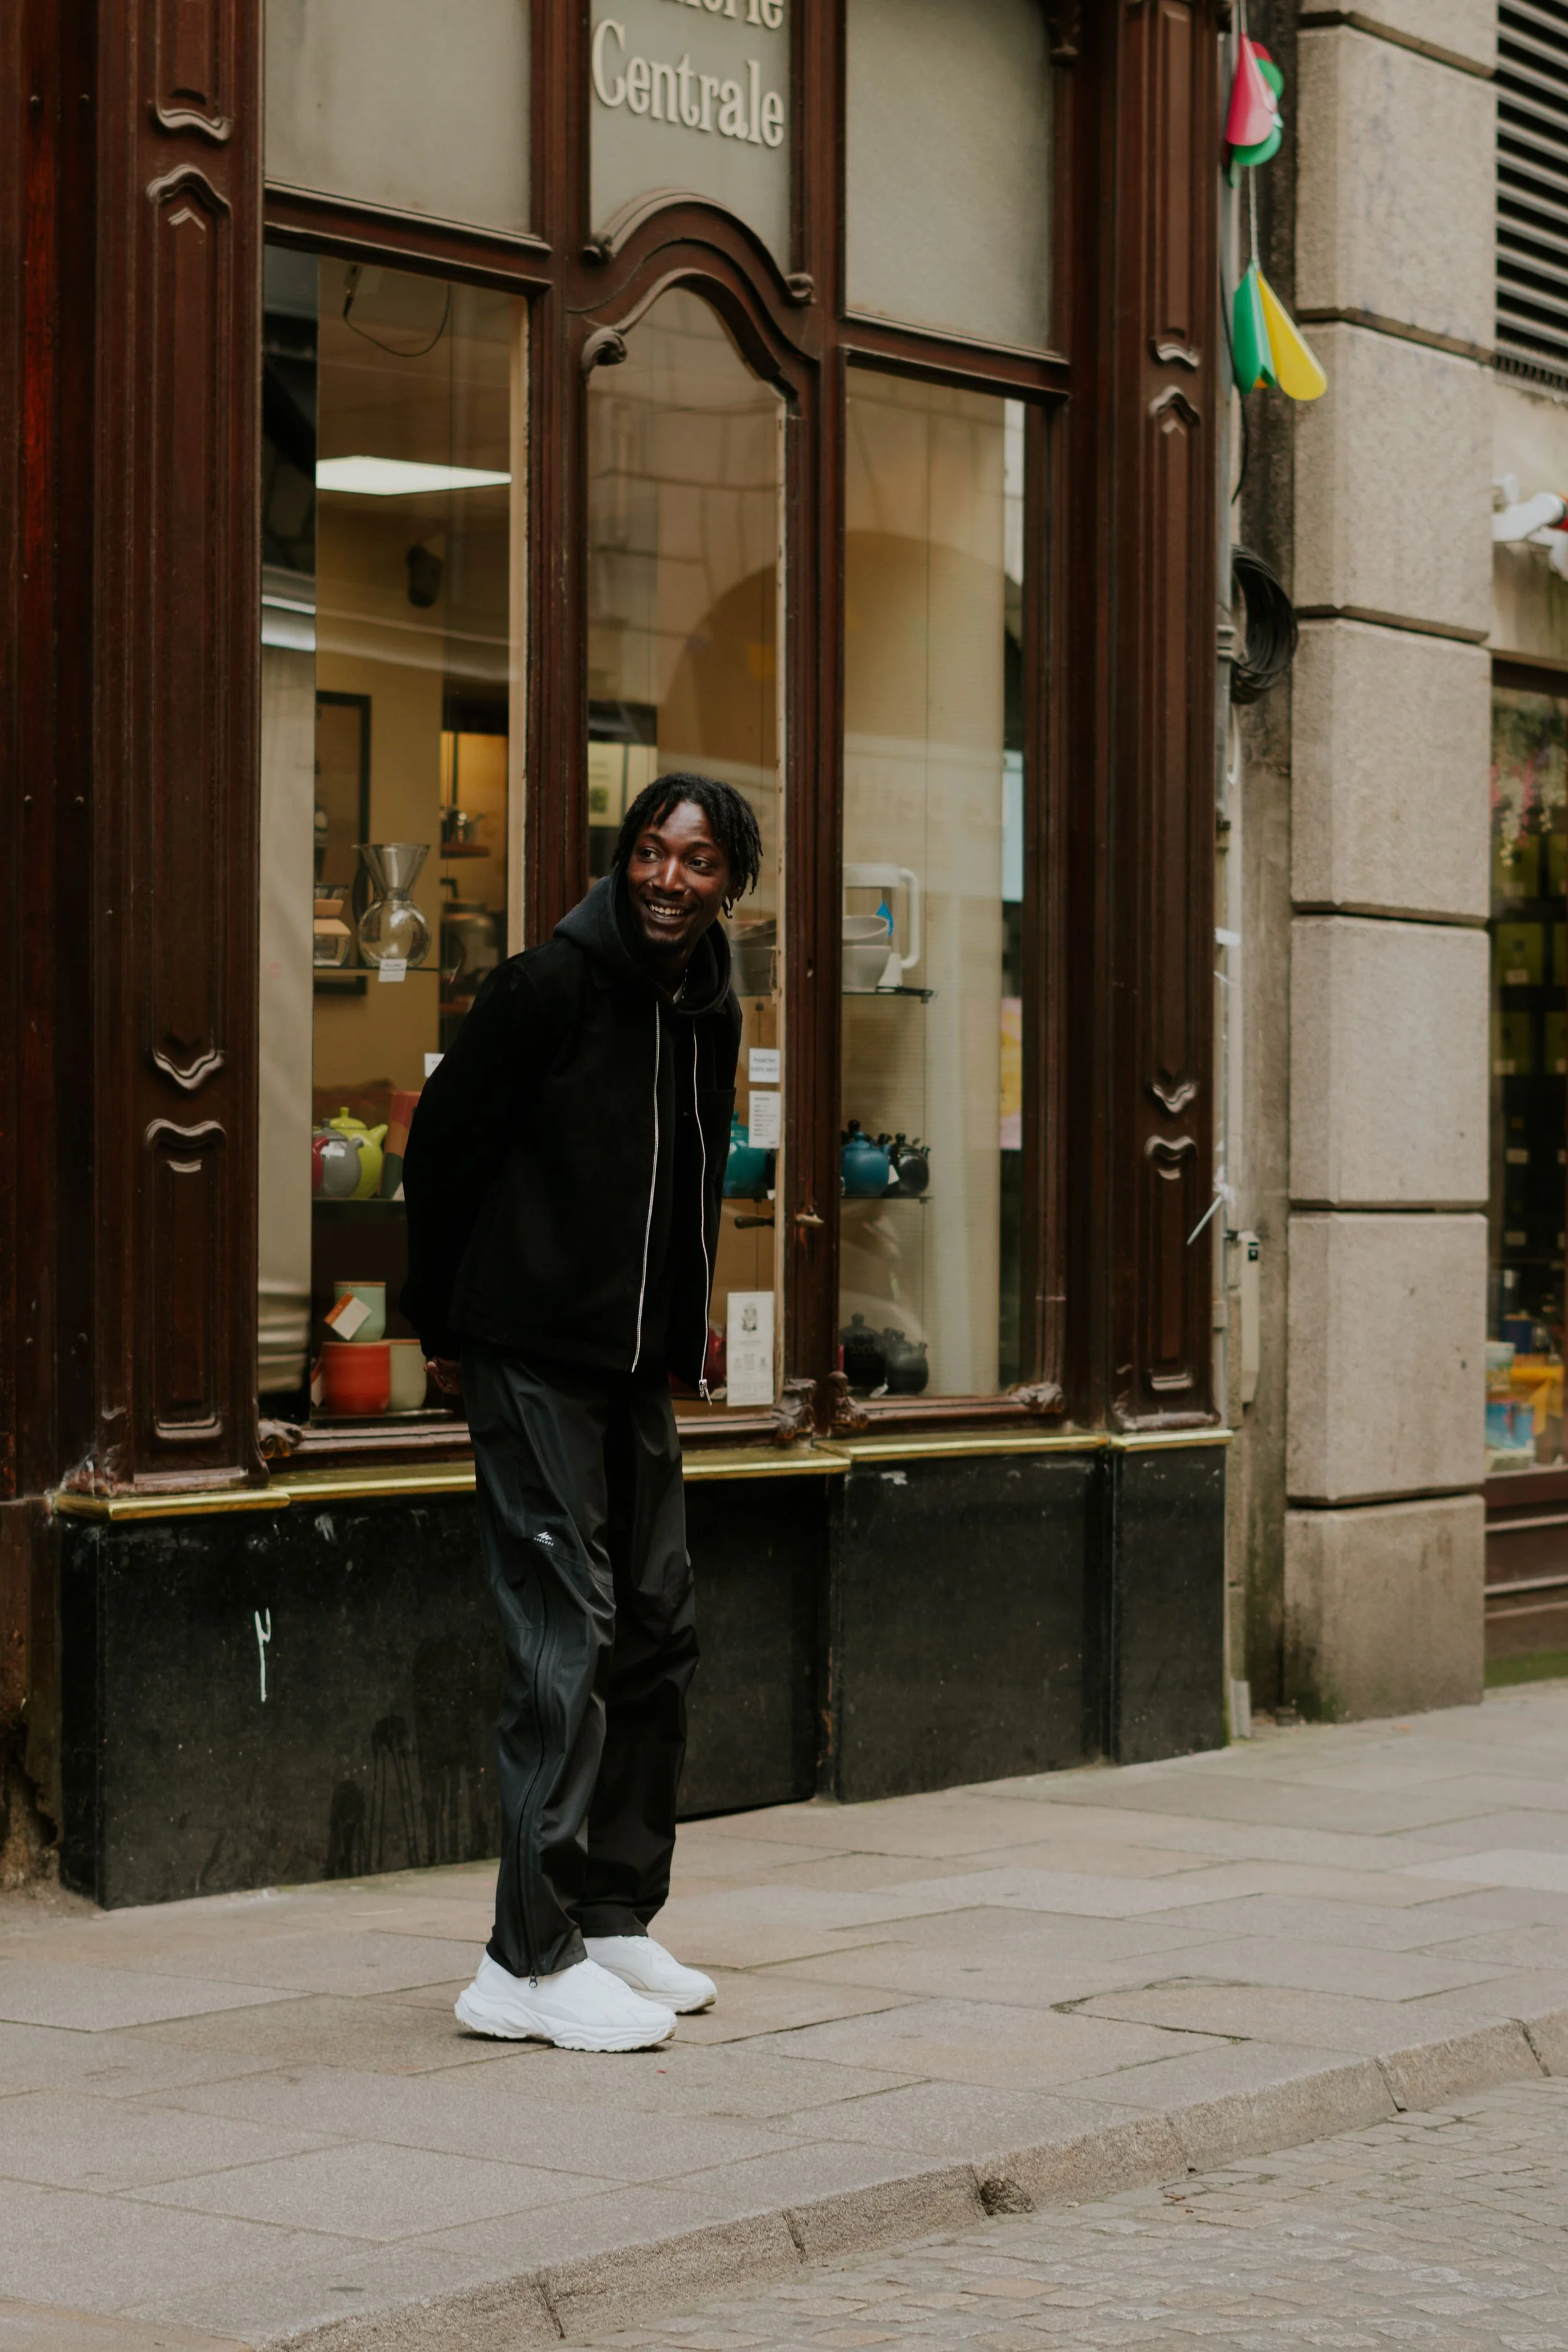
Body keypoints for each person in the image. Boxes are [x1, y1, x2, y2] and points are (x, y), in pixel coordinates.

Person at [401, 773, 758, 2053]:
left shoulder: (708, 1008)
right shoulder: (547, 985)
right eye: (653, 854)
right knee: (568, 1632)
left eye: (700, 861)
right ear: (624, 862)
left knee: (656, 1625)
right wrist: (441, 1329)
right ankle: (524, 1959)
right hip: (526, 1351)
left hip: (628, 1369)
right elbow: (440, 1150)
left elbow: (691, 1183)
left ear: (730, 885)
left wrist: (677, 1337)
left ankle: (611, 1915)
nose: (669, 879)